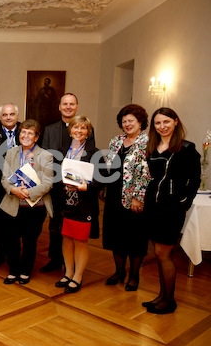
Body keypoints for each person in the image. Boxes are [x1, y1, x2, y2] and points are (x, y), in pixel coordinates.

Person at [142, 107, 200, 314]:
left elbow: (194, 180)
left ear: (176, 122)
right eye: (158, 123)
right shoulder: (152, 146)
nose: (162, 126)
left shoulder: (186, 148)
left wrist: (182, 202)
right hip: (153, 207)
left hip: (171, 209)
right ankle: (162, 296)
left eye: (166, 122)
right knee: (159, 254)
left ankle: (169, 300)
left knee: (163, 253)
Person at [40, 93, 95, 273]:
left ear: (77, 107)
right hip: (57, 186)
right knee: (57, 226)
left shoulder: (87, 131)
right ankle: (56, 260)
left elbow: (91, 164)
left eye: (72, 104)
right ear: (59, 107)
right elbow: (47, 157)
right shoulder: (50, 129)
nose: (68, 107)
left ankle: (72, 268)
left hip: (80, 193)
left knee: (75, 233)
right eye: (65, 104)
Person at [103, 104, 151, 291]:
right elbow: (109, 167)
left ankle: (134, 276)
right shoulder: (116, 141)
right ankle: (119, 271)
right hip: (114, 194)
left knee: (135, 237)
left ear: (140, 121)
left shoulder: (147, 142)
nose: (127, 124)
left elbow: (147, 172)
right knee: (117, 235)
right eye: (124, 121)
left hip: (135, 197)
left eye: (131, 120)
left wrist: (138, 197)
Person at [0, 120, 53, 285]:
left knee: (30, 241)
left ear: (36, 137)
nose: (26, 136)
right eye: (23, 132)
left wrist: (28, 192)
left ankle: (25, 271)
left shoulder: (45, 156)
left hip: (35, 207)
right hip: (13, 204)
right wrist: (14, 190)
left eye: (30, 133)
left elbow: (48, 183)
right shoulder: (11, 153)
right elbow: (4, 178)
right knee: (12, 240)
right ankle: (13, 270)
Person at [54, 116, 100, 293]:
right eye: (75, 127)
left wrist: (86, 186)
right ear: (70, 129)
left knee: (80, 241)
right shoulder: (62, 150)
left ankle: (78, 276)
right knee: (66, 238)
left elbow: (101, 179)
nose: (78, 131)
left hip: (83, 203)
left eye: (83, 128)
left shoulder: (95, 153)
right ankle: (68, 272)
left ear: (88, 132)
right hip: (64, 202)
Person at [0, 103, 21, 267]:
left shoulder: (26, 131)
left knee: (16, 222)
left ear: (17, 116)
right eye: (5, 115)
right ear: (1, 117)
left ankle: (15, 256)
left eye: (12, 114)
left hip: (21, 185)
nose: (8, 117)